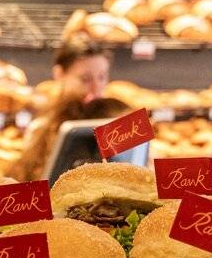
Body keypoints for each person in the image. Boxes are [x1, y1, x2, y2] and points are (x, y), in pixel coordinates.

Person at [8, 37, 130, 180]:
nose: (96, 88)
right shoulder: (40, 128)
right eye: (85, 79)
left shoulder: (121, 123)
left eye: (102, 77)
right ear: (60, 74)